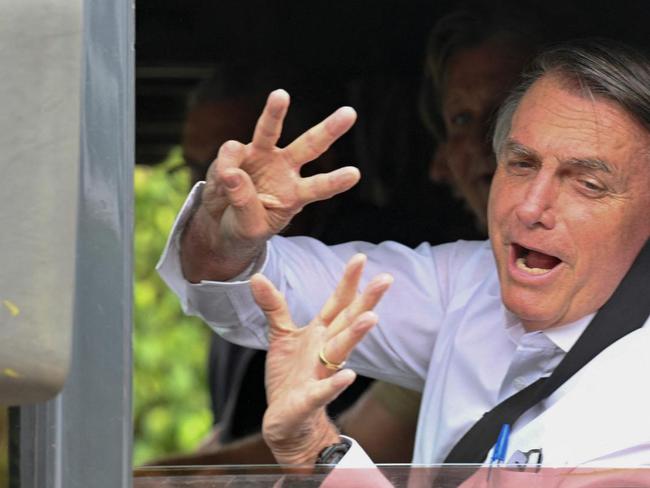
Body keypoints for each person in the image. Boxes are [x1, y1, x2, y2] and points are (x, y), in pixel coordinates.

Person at [157, 37, 650, 474]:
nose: (531, 206)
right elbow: (255, 292)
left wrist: (321, 451)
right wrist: (224, 233)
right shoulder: (465, 284)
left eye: (588, 184)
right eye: (520, 164)